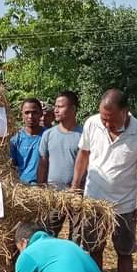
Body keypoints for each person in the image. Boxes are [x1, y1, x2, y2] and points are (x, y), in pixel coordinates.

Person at [71, 88, 137, 272]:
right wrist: (75, 186)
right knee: (93, 250)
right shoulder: (92, 124)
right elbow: (84, 155)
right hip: (94, 202)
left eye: (111, 119)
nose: (106, 123)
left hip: (123, 205)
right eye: (103, 118)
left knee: (124, 252)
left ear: (126, 112)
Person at [37, 91, 83, 236]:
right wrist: (41, 188)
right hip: (54, 195)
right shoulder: (48, 135)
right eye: (55, 106)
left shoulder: (84, 135)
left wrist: (78, 188)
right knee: (48, 233)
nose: (56, 110)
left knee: (77, 237)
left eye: (60, 106)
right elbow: (43, 164)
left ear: (73, 109)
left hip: (78, 196)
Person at [10, 98, 44, 184]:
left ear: (41, 114)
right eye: (27, 112)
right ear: (21, 115)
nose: (30, 116)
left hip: (45, 188)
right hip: (23, 188)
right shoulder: (15, 140)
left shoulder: (48, 136)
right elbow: (12, 166)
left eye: (34, 112)